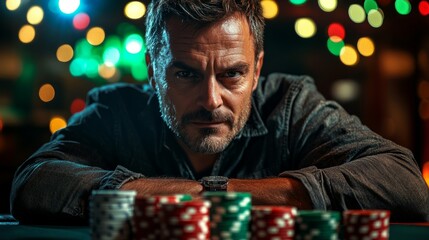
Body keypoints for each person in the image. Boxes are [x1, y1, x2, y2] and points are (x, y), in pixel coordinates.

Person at [10, 0, 429, 224]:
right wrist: (201, 197)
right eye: (186, 74)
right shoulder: (117, 110)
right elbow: (33, 183)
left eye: (232, 74)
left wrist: (218, 195)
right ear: (154, 74)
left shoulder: (292, 106)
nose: (211, 99)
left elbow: (405, 182)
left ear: (258, 70)